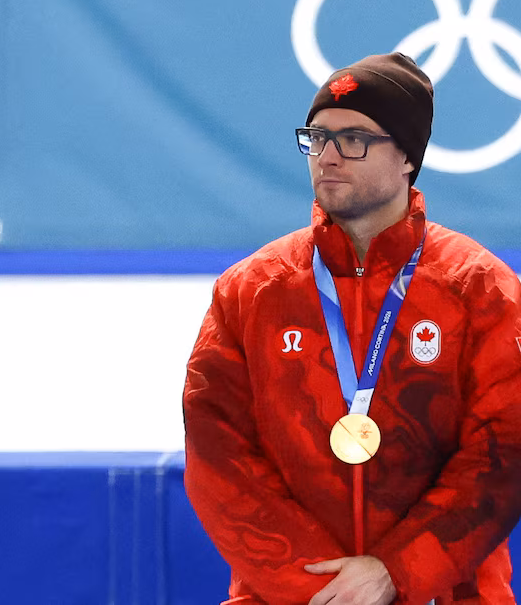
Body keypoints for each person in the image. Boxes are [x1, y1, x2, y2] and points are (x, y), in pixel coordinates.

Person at [183, 52, 521, 604]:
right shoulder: (251, 291)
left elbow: (503, 455)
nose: (328, 156)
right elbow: (218, 458)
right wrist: (325, 590)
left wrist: (396, 573)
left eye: (354, 139)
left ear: (407, 156)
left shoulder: (480, 289)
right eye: (317, 138)